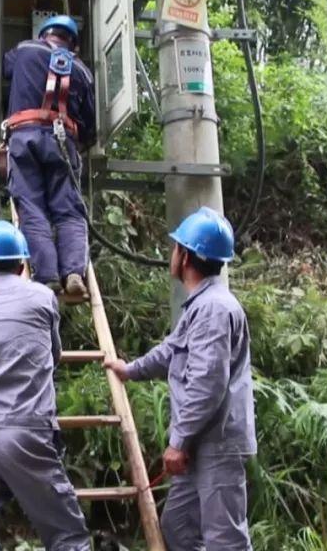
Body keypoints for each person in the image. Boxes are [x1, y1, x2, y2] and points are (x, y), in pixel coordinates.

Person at [103, 207, 256, 550]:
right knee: (179, 527)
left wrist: (179, 440)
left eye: (175, 248)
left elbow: (208, 382)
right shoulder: (200, 306)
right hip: (200, 444)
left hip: (214, 443)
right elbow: (171, 351)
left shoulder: (214, 309)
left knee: (225, 539)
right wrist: (130, 370)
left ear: (185, 255)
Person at [0, 220, 91, 551]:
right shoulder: (42, 298)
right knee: (66, 534)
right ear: (23, 263)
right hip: (21, 428)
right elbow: (54, 355)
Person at [2, 15, 97, 298]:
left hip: (24, 137)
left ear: (44, 34)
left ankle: (48, 277)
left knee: (32, 207)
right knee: (68, 211)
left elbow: (1, 71)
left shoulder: (24, 50)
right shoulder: (82, 71)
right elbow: (89, 127)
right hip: (62, 142)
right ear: (73, 45)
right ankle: (72, 274)